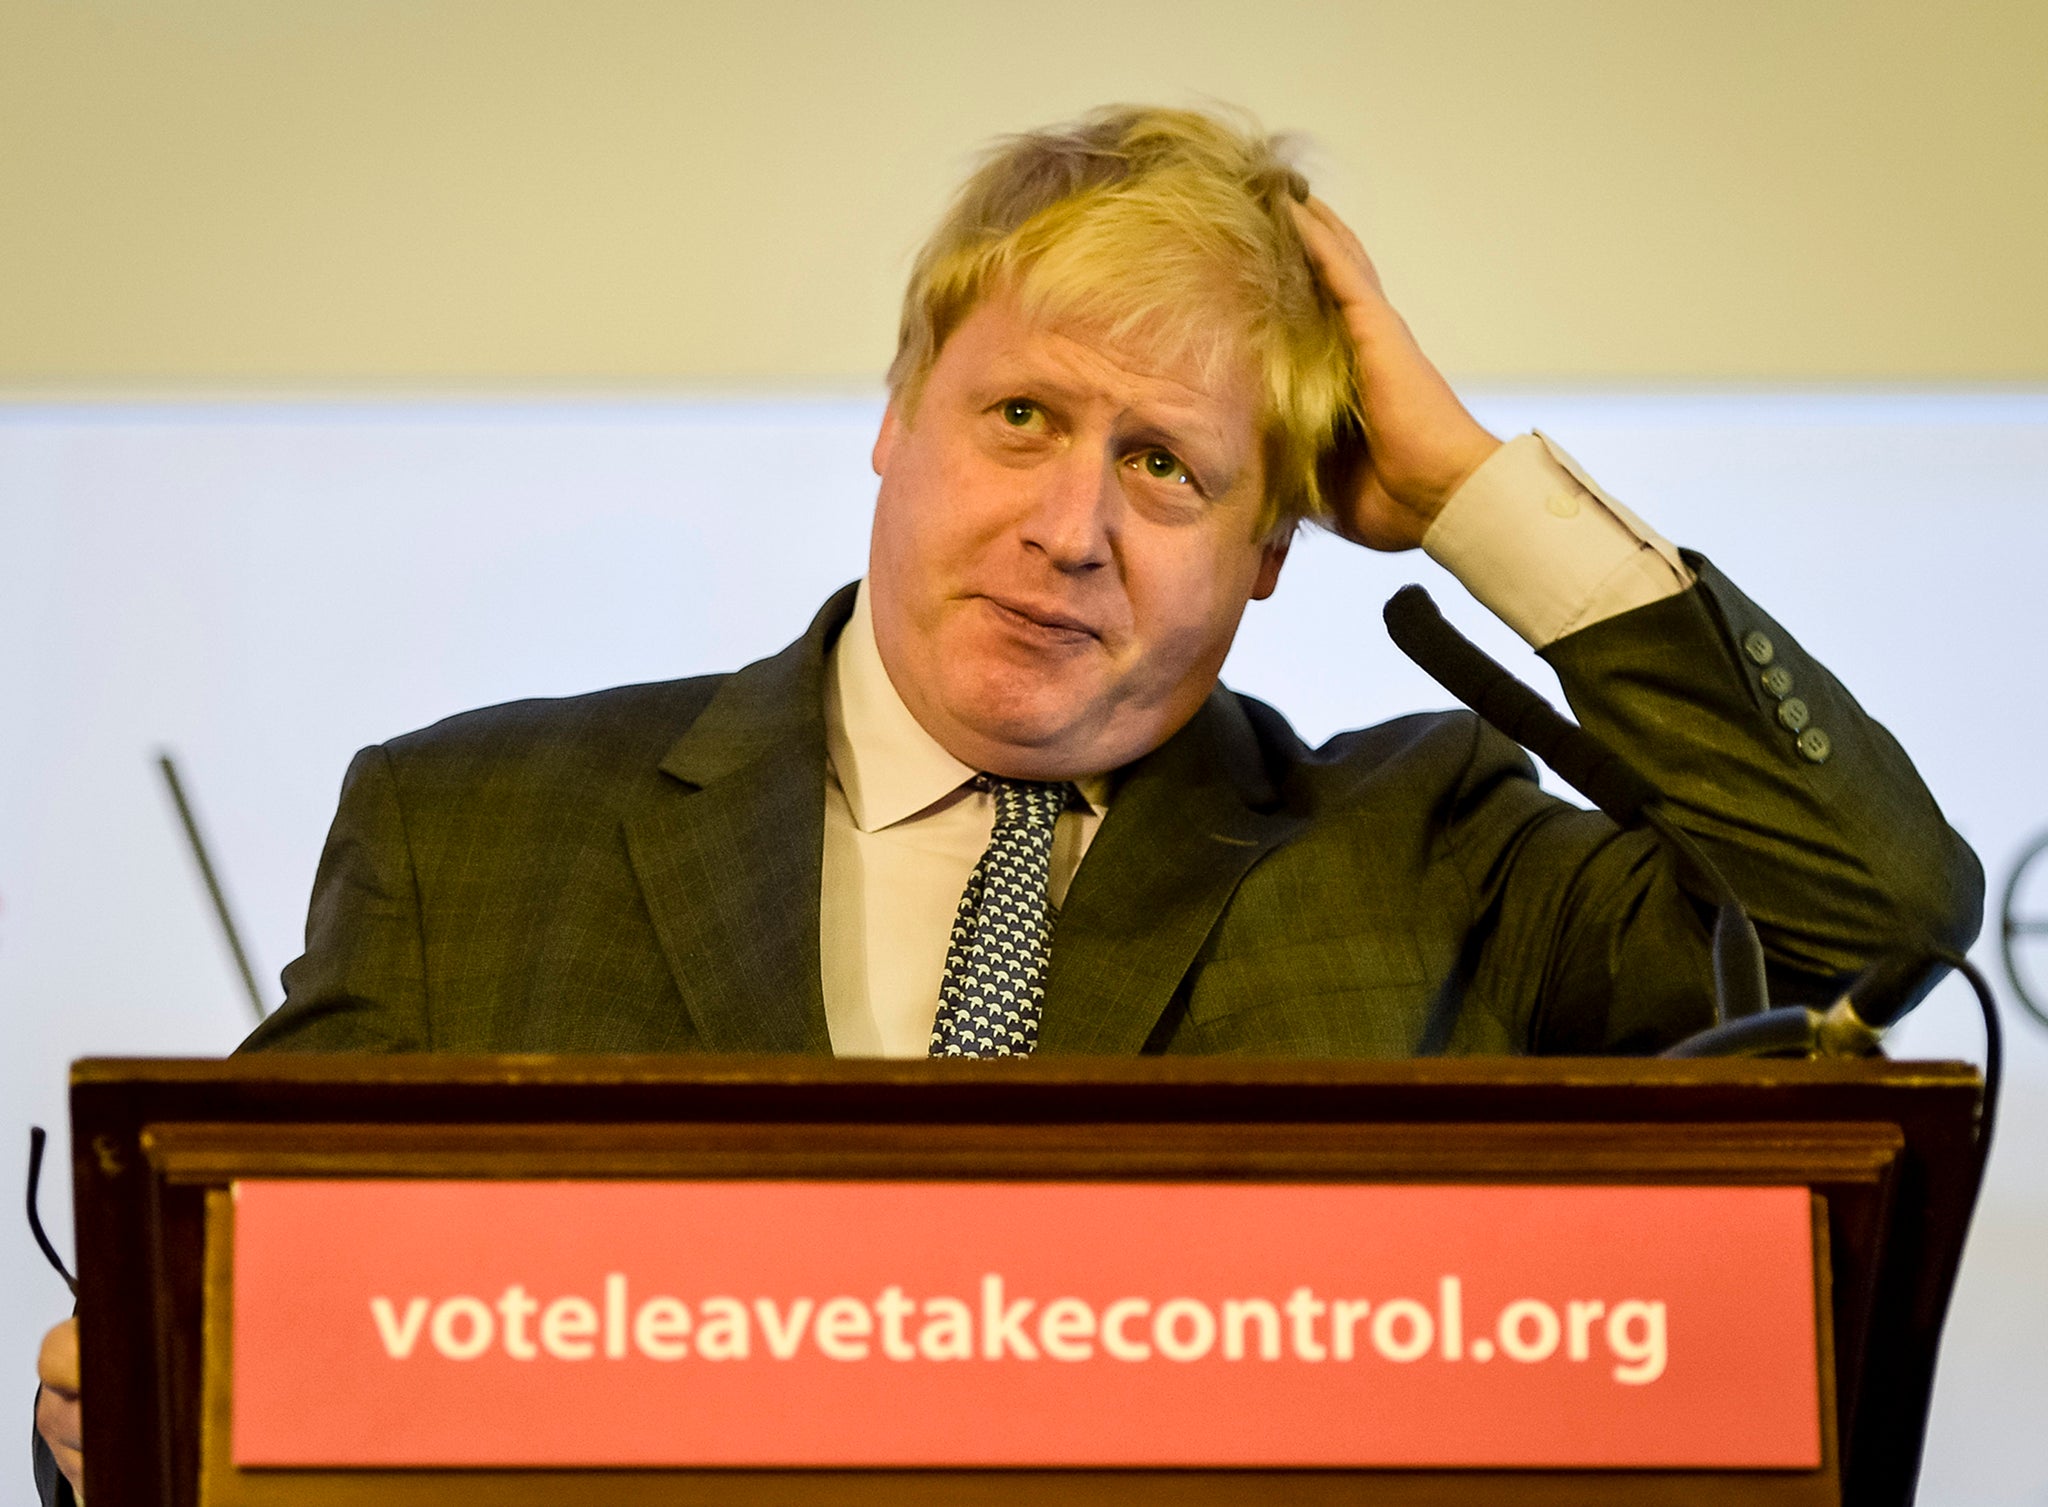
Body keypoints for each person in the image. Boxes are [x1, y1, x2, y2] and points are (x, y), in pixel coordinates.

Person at [32, 103, 1981, 1503]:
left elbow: (1867, 910)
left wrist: (1474, 487)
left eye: (1169, 468)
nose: (1065, 529)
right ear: (896, 419)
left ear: (1274, 549)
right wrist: (124, 1411)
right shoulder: (471, 832)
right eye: (1023, 416)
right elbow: (246, 1334)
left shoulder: (1433, 849)